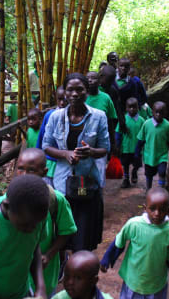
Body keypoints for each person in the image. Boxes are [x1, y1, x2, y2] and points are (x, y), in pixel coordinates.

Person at [43, 73, 110, 251]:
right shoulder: (55, 117)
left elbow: (105, 148)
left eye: (79, 89)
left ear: (86, 91)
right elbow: (46, 146)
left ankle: (80, 270)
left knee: (83, 234)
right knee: (62, 232)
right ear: (64, 92)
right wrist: (65, 154)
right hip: (62, 184)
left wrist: (91, 152)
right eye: (70, 89)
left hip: (87, 182)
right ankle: (63, 267)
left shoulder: (99, 116)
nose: (74, 94)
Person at [100, 188, 169, 299]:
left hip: (156, 285)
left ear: (168, 211)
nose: (157, 214)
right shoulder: (134, 225)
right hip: (133, 281)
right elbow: (118, 243)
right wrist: (107, 259)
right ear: (145, 208)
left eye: (162, 210)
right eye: (152, 209)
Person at [15, 148, 77, 297]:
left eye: (31, 170)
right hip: (16, 270)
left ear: (44, 172)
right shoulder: (11, 198)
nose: (24, 175)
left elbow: (67, 230)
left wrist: (49, 255)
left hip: (45, 271)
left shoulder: (55, 199)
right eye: (20, 169)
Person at [135, 102, 169, 189]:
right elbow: (140, 140)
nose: (158, 114)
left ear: (165, 113)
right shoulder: (146, 124)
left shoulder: (168, 126)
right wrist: (137, 153)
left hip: (162, 156)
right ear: (152, 112)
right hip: (149, 155)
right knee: (149, 174)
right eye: (156, 112)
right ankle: (148, 189)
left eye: (161, 112)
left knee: (162, 172)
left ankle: (161, 190)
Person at [37, 87, 69, 186]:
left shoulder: (75, 117)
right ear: (55, 98)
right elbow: (41, 138)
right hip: (49, 162)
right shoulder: (49, 115)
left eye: (65, 99)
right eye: (59, 99)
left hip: (66, 163)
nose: (62, 103)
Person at [85, 71, 118, 154]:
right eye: (87, 78)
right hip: (84, 139)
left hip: (101, 139)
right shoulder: (81, 98)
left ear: (99, 82)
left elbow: (110, 121)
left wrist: (113, 142)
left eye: (93, 78)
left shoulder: (105, 98)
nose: (90, 80)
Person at [116, 97, 144, 188]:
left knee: (137, 164)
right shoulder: (123, 120)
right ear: (126, 108)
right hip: (126, 148)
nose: (132, 109)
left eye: (134, 107)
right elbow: (118, 133)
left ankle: (134, 172)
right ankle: (126, 179)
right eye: (130, 107)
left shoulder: (141, 121)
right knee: (125, 164)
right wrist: (117, 145)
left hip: (137, 149)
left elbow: (145, 134)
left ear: (138, 108)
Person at [99, 65, 126, 135]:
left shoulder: (112, 90)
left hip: (109, 123)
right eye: (108, 81)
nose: (109, 83)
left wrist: (122, 121)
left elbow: (118, 107)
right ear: (101, 76)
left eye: (111, 81)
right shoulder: (92, 88)